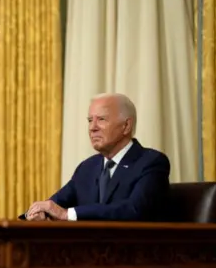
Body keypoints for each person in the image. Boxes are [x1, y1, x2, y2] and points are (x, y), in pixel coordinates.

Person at [24, 93, 170, 221]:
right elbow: (55, 204)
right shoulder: (87, 168)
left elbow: (134, 209)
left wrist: (67, 214)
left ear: (126, 126)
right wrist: (40, 213)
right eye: (89, 120)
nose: (92, 128)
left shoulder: (152, 162)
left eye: (101, 119)